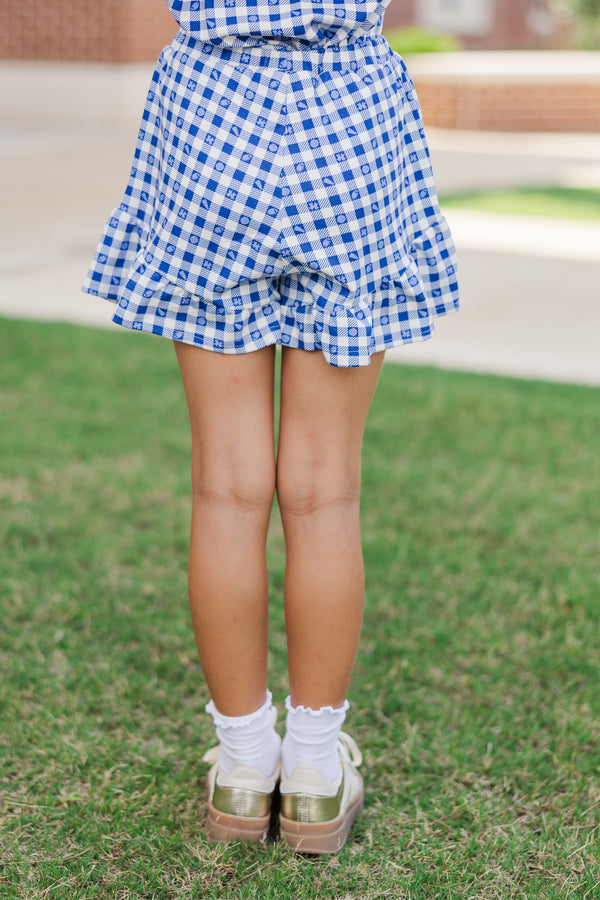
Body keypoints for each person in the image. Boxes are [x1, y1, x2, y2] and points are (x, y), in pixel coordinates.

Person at [83, 0, 459, 854]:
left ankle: (247, 768)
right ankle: (317, 777)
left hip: (211, 107)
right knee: (325, 493)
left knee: (227, 485)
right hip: (350, 110)